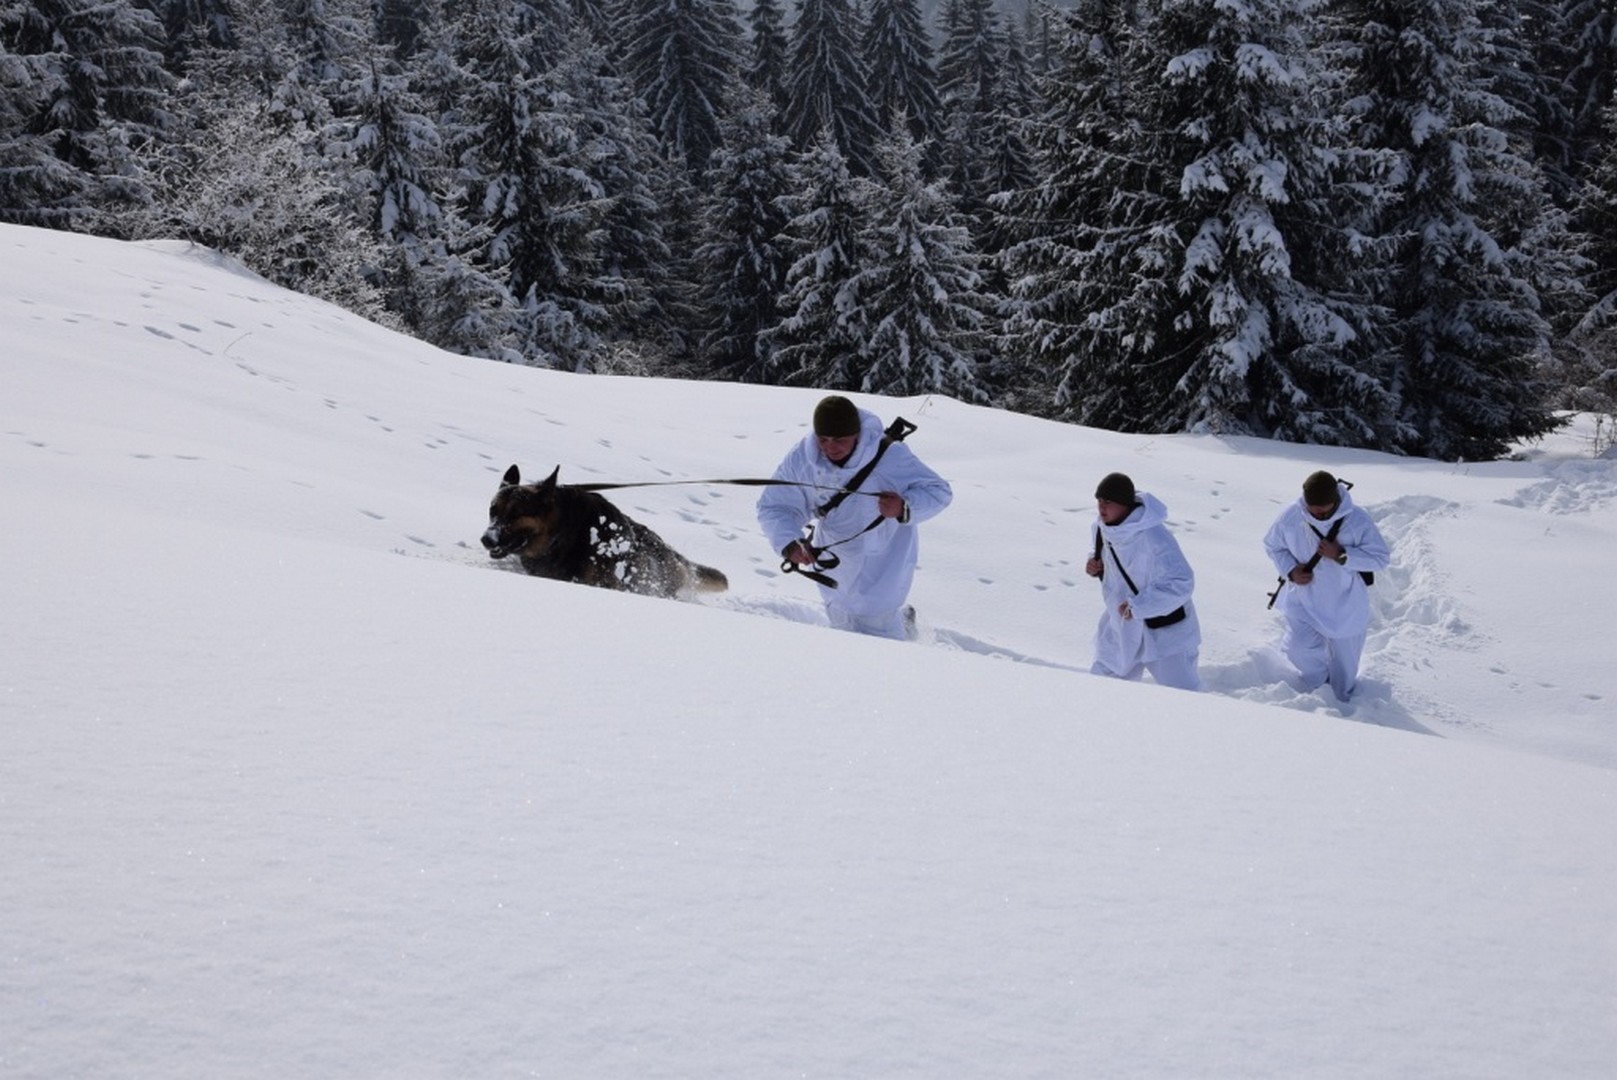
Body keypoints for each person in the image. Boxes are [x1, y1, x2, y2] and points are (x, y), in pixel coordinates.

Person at [757, 395, 953, 640]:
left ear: (857, 434)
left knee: (881, 638)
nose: (830, 447)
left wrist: (903, 507)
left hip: (882, 567)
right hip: (833, 566)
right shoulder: (803, 457)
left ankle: (902, 638)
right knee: (841, 624)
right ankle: (899, 625)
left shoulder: (889, 455)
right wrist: (789, 543)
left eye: (839, 439)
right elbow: (775, 506)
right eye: (823, 439)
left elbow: (939, 492)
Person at [1262, 470, 1391, 702]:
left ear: (1336, 500)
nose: (1318, 513)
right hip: (1304, 600)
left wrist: (1342, 555)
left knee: (1344, 677)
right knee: (1298, 649)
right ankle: (1319, 689)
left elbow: (1380, 558)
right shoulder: (1291, 516)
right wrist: (1290, 570)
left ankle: (1343, 707)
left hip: (1346, 605)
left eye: (1324, 508)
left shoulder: (1357, 520)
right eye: (1313, 509)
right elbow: (1273, 546)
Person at [1084, 472, 1202, 690]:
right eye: (1099, 501)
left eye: (1108, 502)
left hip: (1163, 632)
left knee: (1184, 696)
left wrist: (1138, 606)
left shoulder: (1153, 536)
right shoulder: (1101, 530)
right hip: (1121, 627)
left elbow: (1182, 581)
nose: (1102, 507)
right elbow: (1105, 559)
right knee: (1101, 689)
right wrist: (1095, 564)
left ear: (1125, 505)